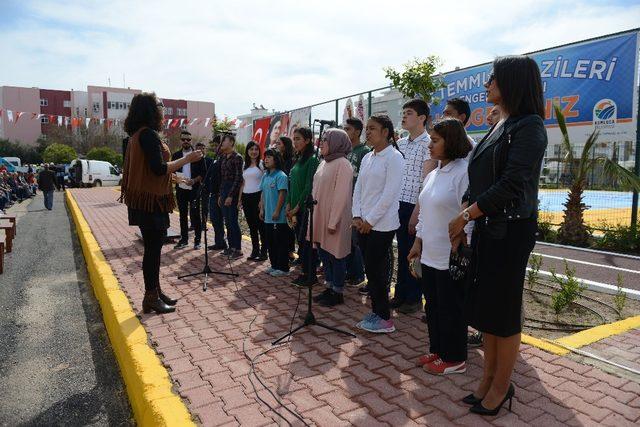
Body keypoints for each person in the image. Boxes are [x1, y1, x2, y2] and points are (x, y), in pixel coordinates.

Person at [448, 56, 547, 415]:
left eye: (493, 79)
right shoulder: (501, 124)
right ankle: (487, 380)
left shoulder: (529, 126)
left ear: (513, 84)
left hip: (510, 231)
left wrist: (466, 215)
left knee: (503, 315)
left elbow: (511, 183)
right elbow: (481, 180)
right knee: (488, 310)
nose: (487, 85)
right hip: (490, 228)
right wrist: (468, 214)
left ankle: (502, 386)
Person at [120, 93, 203, 314]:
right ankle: (150, 298)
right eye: (159, 105)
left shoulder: (138, 134)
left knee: (153, 249)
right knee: (153, 251)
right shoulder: (147, 135)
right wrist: (187, 159)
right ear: (150, 110)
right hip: (150, 202)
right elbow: (158, 169)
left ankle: (155, 292)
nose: (162, 109)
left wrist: (176, 177)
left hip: (145, 200)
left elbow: (151, 170)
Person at [408, 118, 473, 375]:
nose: (429, 145)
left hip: (450, 254)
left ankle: (455, 358)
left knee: (451, 308)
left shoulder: (464, 172)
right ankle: (438, 350)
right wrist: (417, 242)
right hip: (430, 254)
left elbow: (467, 215)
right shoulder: (434, 173)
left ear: (452, 141)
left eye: (435, 141)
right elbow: (424, 213)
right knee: (433, 306)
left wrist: (461, 248)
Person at [353, 114, 405, 333]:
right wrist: (356, 215)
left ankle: (384, 318)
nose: (368, 132)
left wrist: (370, 221)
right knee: (371, 269)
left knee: (378, 270)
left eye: (372, 128)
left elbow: (390, 194)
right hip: (362, 223)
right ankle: (376, 311)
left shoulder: (394, 157)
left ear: (386, 132)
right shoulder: (368, 157)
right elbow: (358, 189)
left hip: (382, 225)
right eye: (367, 128)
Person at [393, 99, 437, 314]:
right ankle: (400, 294)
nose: (404, 116)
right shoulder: (400, 144)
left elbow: (427, 181)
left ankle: (413, 298)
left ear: (422, 118)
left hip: (415, 206)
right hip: (398, 204)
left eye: (409, 113)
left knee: (413, 252)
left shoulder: (429, 144)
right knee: (401, 250)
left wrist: (417, 214)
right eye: (403, 113)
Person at [310, 129, 353, 307]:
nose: (321, 143)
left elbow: (341, 196)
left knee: (336, 256)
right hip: (320, 216)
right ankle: (329, 287)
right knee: (324, 254)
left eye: (325, 141)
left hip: (334, 220)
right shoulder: (323, 163)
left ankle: (337, 291)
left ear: (336, 143)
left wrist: (333, 220)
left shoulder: (343, 164)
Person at [287, 127, 320, 286]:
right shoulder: (298, 159)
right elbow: (291, 183)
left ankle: (310, 275)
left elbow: (309, 186)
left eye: (298, 138)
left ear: (308, 140)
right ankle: (305, 271)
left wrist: (297, 207)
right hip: (293, 209)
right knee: (301, 243)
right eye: (294, 139)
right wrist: (288, 204)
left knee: (307, 243)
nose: (295, 141)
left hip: (305, 209)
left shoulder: (313, 160)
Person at [344, 118, 369, 288]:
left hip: (357, 204)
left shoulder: (364, 151)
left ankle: (358, 274)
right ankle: (349, 271)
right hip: (344, 202)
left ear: (358, 132)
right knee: (346, 239)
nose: (345, 131)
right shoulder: (344, 151)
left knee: (356, 241)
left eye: (348, 128)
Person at [171, 130, 205, 249]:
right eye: (183, 139)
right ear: (180, 140)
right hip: (181, 189)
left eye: (188, 139)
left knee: (195, 215)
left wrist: (194, 180)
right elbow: (171, 173)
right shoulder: (176, 155)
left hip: (194, 189)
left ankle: (197, 240)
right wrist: (175, 179)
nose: (186, 141)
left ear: (191, 141)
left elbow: (203, 173)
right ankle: (184, 239)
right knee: (183, 215)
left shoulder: (197, 155)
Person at [260, 149, 289, 276]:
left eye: (269, 157)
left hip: (279, 217)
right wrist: (261, 209)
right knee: (270, 242)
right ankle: (274, 265)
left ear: (276, 159)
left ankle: (283, 268)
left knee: (280, 242)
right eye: (265, 157)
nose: (266, 159)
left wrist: (277, 211)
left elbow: (283, 194)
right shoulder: (265, 176)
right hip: (267, 217)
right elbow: (262, 193)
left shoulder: (281, 175)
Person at [218, 134, 244, 259]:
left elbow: (238, 178)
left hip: (232, 191)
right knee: (227, 221)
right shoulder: (223, 157)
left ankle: (238, 249)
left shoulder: (237, 157)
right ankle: (231, 247)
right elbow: (222, 178)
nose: (222, 142)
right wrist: (220, 195)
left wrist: (230, 196)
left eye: (224, 140)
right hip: (223, 190)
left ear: (232, 142)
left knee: (233, 221)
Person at [241, 141, 267, 261]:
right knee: (252, 226)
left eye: (256, 149)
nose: (254, 152)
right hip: (246, 197)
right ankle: (255, 250)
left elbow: (265, 183)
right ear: (247, 151)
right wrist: (239, 200)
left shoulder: (262, 165)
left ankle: (263, 252)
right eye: (251, 149)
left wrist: (262, 201)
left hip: (258, 197)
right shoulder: (244, 165)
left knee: (261, 226)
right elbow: (243, 184)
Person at [205, 135, 228, 251]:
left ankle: (228, 243)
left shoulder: (226, 159)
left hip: (221, 195)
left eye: (217, 145)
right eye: (214, 145)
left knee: (224, 220)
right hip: (213, 194)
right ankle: (219, 242)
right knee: (215, 220)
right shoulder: (216, 159)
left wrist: (220, 194)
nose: (215, 148)